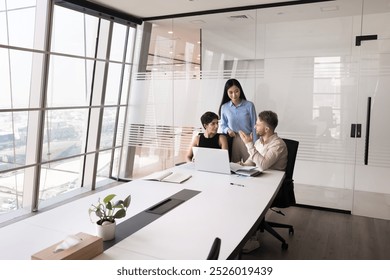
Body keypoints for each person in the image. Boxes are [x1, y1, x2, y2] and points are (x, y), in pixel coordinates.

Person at [238, 110, 288, 253]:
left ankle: (252, 239)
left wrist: (249, 145)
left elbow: (262, 165)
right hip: (259, 180)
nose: (254, 127)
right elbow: (250, 162)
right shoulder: (259, 142)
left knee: (248, 199)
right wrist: (237, 165)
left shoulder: (278, 145)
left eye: (257, 124)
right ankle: (240, 232)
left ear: (266, 129)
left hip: (273, 185)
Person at [218, 78, 257, 162]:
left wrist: (255, 143)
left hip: (248, 139)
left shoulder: (249, 105)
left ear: (240, 90)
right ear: (226, 92)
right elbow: (223, 125)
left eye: (236, 91)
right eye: (230, 92)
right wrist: (228, 130)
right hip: (233, 139)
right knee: (234, 165)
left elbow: (255, 125)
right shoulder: (224, 107)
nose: (234, 95)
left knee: (251, 165)